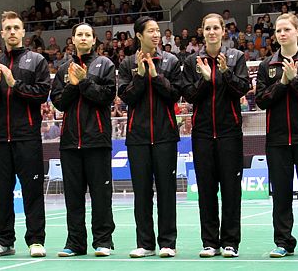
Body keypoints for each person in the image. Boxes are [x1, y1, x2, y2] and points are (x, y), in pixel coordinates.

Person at [0, 12, 51, 257]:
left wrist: (14, 83)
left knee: (32, 191)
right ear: (2, 33)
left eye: (15, 28)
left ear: (23, 32)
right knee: (2, 192)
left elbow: (41, 94)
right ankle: (4, 241)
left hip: (27, 137)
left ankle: (36, 240)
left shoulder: (37, 60)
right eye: (7, 28)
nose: (11, 32)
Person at [178, 13, 251, 258]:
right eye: (207, 28)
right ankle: (210, 242)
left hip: (230, 133)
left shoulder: (236, 57)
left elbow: (242, 89)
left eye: (215, 28)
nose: (211, 32)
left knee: (231, 190)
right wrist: (205, 80)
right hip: (202, 134)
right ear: (202, 31)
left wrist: (225, 73)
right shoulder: (192, 61)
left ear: (223, 31)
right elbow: (188, 95)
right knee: (206, 190)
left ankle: (231, 242)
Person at [254, 13, 298, 258]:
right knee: (281, 194)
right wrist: (282, 83)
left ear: (297, 31)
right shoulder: (267, 65)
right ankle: (283, 242)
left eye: (286, 29)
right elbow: (261, 100)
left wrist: (294, 80)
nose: (282, 34)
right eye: (278, 30)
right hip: (277, 141)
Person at [50, 22, 116, 257]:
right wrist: (73, 85)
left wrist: (85, 81)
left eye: (88, 35)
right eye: (80, 34)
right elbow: (58, 102)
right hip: (70, 143)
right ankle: (75, 243)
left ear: (94, 40)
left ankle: (103, 241)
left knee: (101, 195)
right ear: (73, 39)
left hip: (97, 141)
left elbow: (107, 97)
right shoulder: (63, 69)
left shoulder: (105, 64)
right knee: (73, 197)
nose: (84, 38)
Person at [117, 16, 181, 258]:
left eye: (158, 31)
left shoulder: (171, 61)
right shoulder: (127, 64)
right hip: (138, 138)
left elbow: (175, 94)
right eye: (151, 31)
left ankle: (168, 243)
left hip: (165, 136)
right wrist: (141, 76)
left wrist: (155, 76)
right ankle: (145, 243)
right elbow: (127, 97)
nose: (156, 35)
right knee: (142, 193)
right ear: (139, 35)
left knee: (167, 191)